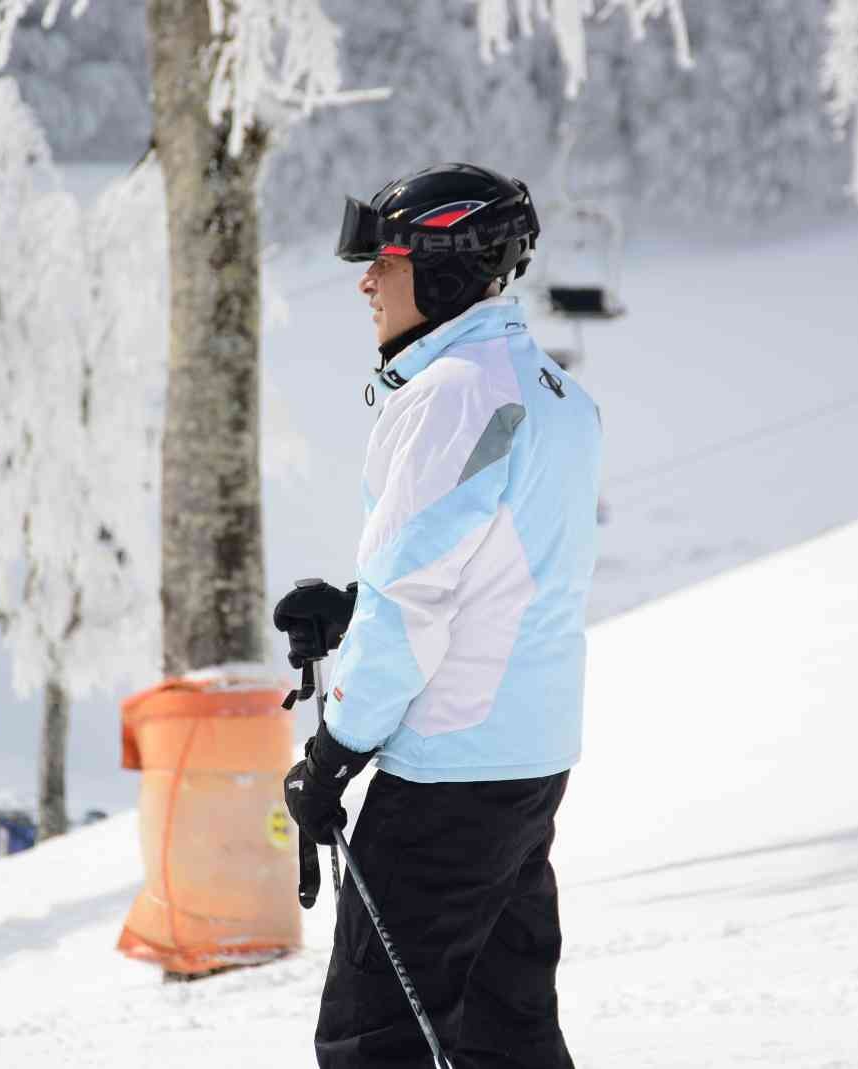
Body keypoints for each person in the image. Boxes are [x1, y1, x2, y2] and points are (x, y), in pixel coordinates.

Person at [276, 163, 602, 1069]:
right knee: (509, 1029)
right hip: (525, 759)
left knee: (370, 1039)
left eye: (383, 259)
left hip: (450, 772)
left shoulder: (453, 392)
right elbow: (493, 571)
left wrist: (334, 750)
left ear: (448, 268)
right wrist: (356, 609)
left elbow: (414, 600)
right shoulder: (549, 391)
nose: (365, 281)